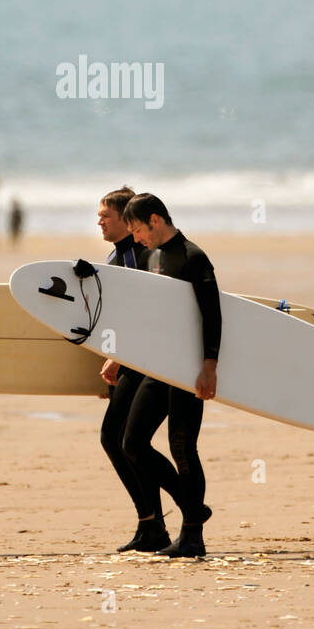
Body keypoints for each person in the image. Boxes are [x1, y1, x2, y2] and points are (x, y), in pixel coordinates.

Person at [120, 192, 221, 558]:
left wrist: (209, 364)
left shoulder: (192, 257)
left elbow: (212, 313)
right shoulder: (150, 257)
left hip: (187, 367)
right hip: (158, 366)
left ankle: (192, 535)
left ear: (155, 220)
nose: (135, 238)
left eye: (137, 229)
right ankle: (194, 509)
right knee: (133, 443)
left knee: (182, 447)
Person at [97, 187, 184, 553]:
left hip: (143, 362)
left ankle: (171, 513)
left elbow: (145, 311)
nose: (100, 221)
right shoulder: (119, 254)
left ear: (128, 220)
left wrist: (118, 355)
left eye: (107, 216)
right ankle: (151, 524)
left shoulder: (137, 254)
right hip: (133, 359)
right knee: (122, 442)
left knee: (124, 441)